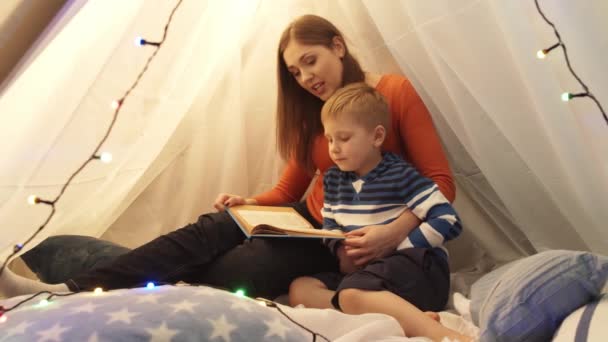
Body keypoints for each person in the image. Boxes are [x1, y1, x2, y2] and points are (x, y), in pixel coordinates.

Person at [0, 15, 455, 303]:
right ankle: (68, 291)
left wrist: (391, 233)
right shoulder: (311, 115)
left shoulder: (392, 92)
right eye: (295, 72)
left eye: (311, 61)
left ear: (338, 45)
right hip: (308, 221)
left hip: (349, 235)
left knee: (238, 271)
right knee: (210, 228)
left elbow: (441, 183)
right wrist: (246, 201)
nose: (305, 77)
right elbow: (287, 192)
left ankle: (96, 279)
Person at [288, 83, 470, 341]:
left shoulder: (399, 174)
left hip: (418, 269)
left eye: (344, 138)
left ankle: (439, 333)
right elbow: (330, 223)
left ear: (376, 137)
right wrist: (340, 250)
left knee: (351, 293)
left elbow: (447, 219)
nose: (334, 148)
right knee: (300, 288)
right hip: (368, 275)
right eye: (330, 139)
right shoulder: (333, 180)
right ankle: (401, 315)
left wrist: (401, 246)